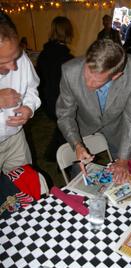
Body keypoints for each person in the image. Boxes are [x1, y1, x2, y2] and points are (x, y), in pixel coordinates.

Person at [56, 39, 131, 184]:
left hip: (118, 130)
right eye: (86, 76)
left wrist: (123, 160)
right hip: (84, 130)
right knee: (80, 180)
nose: (87, 84)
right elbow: (64, 114)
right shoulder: (69, 71)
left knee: (123, 178)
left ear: (116, 76)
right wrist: (77, 144)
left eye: (96, 82)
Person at [0, 12, 41, 174]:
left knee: (25, 186)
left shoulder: (21, 58)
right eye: (3, 62)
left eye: (15, 57)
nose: (13, 67)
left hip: (15, 139)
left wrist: (29, 107)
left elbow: (32, 88)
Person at [36, 16, 74, 161]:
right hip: (57, 103)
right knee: (67, 128)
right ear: (68, 32)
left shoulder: (44, 54)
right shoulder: (66, 58)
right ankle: (63, 161)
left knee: (61, 128)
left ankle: (52, 154)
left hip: (45, 101)